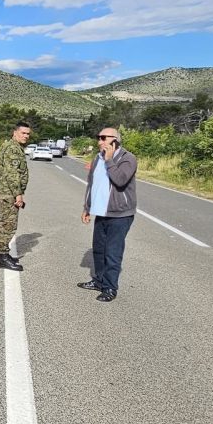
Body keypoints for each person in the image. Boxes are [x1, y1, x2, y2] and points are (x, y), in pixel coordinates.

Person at [80, 128, 137, 302]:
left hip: (120, 214)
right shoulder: (97, 158)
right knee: (98, 249)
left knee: (112, 252)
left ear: (115, 140)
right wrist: (87, 207)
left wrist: (109, 160)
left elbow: (120, 180)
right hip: (101, 211)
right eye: (98, 138)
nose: (100, 141)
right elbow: (92, 184)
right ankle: (98, 280)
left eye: (104, 138)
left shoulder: (128, 158)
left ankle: (110, 287)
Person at [0, 122, 30, 271]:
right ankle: (3, 257)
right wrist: (18, 195)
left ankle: (3, 254)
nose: (26, 136)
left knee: (6, 223)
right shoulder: (13, 149)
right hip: (10, 193)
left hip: (7, 191)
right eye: (23, 133)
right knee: (8, 225)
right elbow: (12, 175)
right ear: (15, 132)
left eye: (28, 134)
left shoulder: (12, 146)